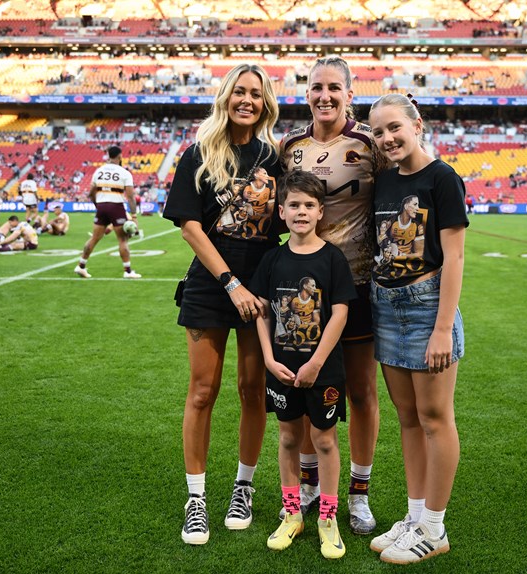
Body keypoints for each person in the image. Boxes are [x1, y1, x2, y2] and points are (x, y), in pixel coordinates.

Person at [162, 63, 282, 546]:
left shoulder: (276, 158)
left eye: (255, 93)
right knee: (201, 391)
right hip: (214, 286)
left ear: (266, 101)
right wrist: (231, 282)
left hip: (263, 286)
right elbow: (190, 226)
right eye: (239, 92)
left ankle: (243, 488)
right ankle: (196, 500)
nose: (246, 100)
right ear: (226, 97)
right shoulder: (198, 154)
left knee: (253, 391)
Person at [279, 55, 386, 534]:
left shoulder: (369, 145)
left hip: (358, 284)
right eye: (316, 87)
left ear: (349, 92)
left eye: (333, 88)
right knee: (302, 387)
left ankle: (358, 493)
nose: (324, 96)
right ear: (306, 93)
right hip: (303, 289)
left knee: (362, 393)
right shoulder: (290, 146)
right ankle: (306, 485)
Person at [366, 93, 467, 564]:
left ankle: (434, 526)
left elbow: (455, 258)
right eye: (379, 132)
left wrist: (443, 327)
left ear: (417, 125)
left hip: (427, 308)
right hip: (386, 304)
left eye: (394, 128)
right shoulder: (384, 181)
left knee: (434, 418)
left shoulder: (442, 178)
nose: (387, 138)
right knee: (407, 419)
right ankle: (413, 515)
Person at [249, 170, 355, 559]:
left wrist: (315, 363)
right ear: (281, 211)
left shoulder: (332, 258)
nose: (301, 211)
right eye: (294, 205)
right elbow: (262, 313)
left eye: (309, 205)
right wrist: (267, 358)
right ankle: (292, 513)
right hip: (281, 369)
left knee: (324, 440)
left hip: (322, 370)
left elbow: (340, 314)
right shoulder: (273, 258)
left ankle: (328, 517)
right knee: (289, 438)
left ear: (320, 212)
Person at [74, 145, 141, 279]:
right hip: (116, 206)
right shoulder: (124, 173)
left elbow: (91, 193)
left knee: (94, 237)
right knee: (123, 239)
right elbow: (131, 196)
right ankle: (128, 271)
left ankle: (81, 266)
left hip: (102, 206)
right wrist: (133, 216)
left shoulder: (99, 171)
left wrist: (98, 206)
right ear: (120, 156)